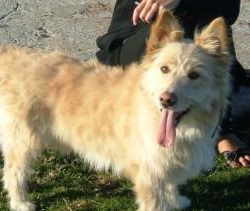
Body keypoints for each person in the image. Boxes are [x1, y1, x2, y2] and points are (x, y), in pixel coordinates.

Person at [96, 0, 250, 168]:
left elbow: (228, 8)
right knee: (177, 25)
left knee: (208, 25)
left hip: (196, 41)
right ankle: (222, 128)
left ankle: (222, 126)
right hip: (135, 36)